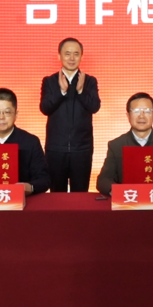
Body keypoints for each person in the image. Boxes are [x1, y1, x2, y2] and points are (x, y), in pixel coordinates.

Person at [40, 38, 101, 192]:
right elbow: (45, 108)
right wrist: (61, 92)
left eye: (76, 54)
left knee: (80, 195)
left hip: (82, 149)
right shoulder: (49, 81)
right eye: (67, 54)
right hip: (56, 148)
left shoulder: (90, 81)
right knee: (56, 195)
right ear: (59, 56)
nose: (72, 58)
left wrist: (81, 91)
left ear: (81, 56)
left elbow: (95, 107)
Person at [96, 93, 153, 196]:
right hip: (128, 201)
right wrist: (120, 192)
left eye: (147, 111)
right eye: (136, 111)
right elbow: (104, 179)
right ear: (128, 115)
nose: (141, 116)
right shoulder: (116, 146)